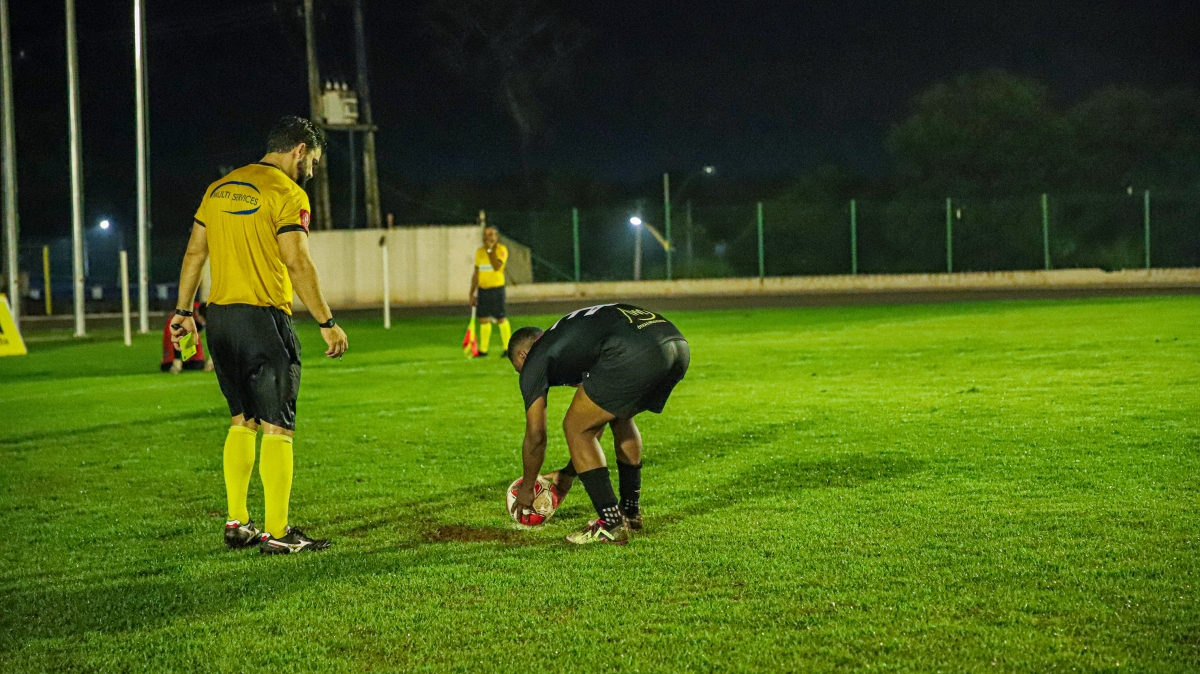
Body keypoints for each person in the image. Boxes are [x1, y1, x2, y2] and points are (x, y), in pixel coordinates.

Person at [170, 115, 348, 555]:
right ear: (299, 150)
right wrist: (327, 322)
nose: (312, 171)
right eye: (313, 162)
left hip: (220, 319)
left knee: (242, 421)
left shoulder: (219, 188)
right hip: (264, 320)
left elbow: (194, 252)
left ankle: (237, 523)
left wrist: (183, 312)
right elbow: (297, 262)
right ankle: (279, 531)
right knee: (277, 427)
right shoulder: (287, 193)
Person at [506, 304, 689, 544]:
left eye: (518, 369)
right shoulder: (568, 341)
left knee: (575, 428)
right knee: (620, 417)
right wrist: (568, 474)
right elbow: (598, 417)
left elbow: (536, 435)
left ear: (522, 356)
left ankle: (611, 523)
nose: (524, 375)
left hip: (636, 351)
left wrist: (528, 487)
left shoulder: (536, 357)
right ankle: (630, 512)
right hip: (676, 345)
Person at [468, 226, 512, 357]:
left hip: (497, 289)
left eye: (491, 234)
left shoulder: (501, 250)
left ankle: (507, 348)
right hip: (483, 290)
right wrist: (472, 292)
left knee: (500, 317)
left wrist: (489, 249)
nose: (488, 238)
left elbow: (496, 266)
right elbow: (476, 273)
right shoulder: (479, 252)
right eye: (486, 235)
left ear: (496, 236)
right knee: (484, 318)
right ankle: (483, 350)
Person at [160, 301, 213, 373]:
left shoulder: (205, 313)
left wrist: (212, 359)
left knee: (198, 364)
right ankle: (171, 362)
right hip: (173, 331)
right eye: (203, 321)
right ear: (198, 315)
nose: (204, 324)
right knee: (169, 365)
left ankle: (184, 362)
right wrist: (177, 359)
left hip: (191, 332)